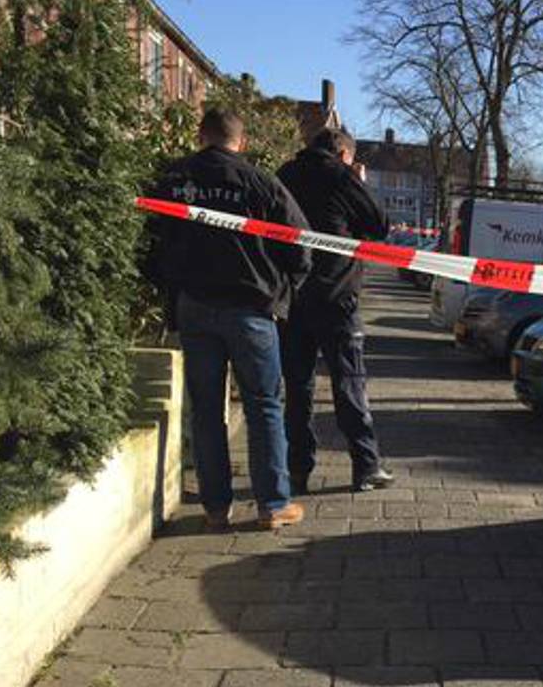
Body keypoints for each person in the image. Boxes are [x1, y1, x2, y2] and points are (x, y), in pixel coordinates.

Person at [143, 107, 311, 531]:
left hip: (195, 305)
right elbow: (300, 245)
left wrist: (172, 282)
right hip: (250, 307)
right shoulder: (260, 183)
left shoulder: (174, 179)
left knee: (205, 409)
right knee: (265, 406)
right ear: (243, 142)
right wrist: (283, 290)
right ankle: (272, 505)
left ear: (200, 136)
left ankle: (216, 508)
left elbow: (152, 240)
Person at [276, 128, 393, 494]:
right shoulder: (342, 177)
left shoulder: (284, 175)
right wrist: (359, 183)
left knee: (297, 388)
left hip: (293, 297)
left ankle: (298, 470)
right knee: (349, 382)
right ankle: (365, 465)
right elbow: (379, 225)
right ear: (344, 153)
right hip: (336, 294)